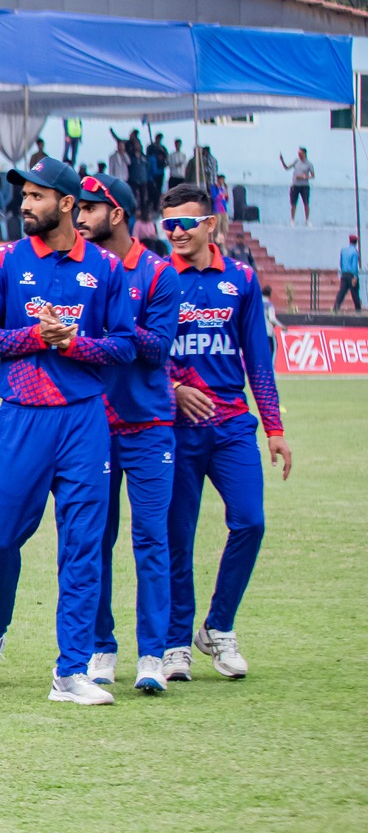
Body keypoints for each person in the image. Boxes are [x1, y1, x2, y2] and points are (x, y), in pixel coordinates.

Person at [0, 156, 135, 705]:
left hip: (84, 418)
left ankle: (71, 670)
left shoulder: (105, 269)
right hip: (21, 415)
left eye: (36, 196)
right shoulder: (4, 262)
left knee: (84, 543)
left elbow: (126, 346)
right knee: (2, 538)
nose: (25, 204)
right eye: (24, 196)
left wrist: (75, 344)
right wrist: (35, 337)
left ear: (66, 203)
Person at [160, 183, 291, 682]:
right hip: (174, 429)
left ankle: (218, 626)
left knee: (250, 521)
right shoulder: (155, 278)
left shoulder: (241, 280)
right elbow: (140, 354)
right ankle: (176, 643)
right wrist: (173, 389)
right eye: (168, 224)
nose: (175, 232)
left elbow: (258, 358)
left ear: (210, 224)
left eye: (185, 222)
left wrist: (274, 427)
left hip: (232, 424)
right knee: (178, 538)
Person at [74, 174, 177, 695]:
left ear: (116, 214)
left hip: (149, 426)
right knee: (96, 538)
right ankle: (102, 648)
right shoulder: (80, 270)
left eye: (90, 208)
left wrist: (112, 325)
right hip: (94, 423)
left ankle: (152, 656)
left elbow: (157, 349)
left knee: (151, 539)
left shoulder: (157, 272)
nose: (80, 217)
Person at [280, 147, 314, 225]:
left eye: (300, 153)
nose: (299, 155)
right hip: (295, 185)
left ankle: (307, 220)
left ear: (304, 153)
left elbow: (312, 176)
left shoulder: (309, 164)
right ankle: (292, 220)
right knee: (293, 203)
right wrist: (282, 160)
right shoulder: (296, 161)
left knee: (306, 203)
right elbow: (286, 168)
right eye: (298, 153)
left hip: (304, 186)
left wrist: (303, 177)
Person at [338, 234, 361, 311]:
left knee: (342, 292)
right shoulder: (355, 252)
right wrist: (355, 276)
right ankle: (358, 309)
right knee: (355, 293)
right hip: (351, 275)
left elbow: (341, 263)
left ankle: (336, 308)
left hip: (344, 274)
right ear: (356, 242)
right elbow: (354, 266)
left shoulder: (343, 250)